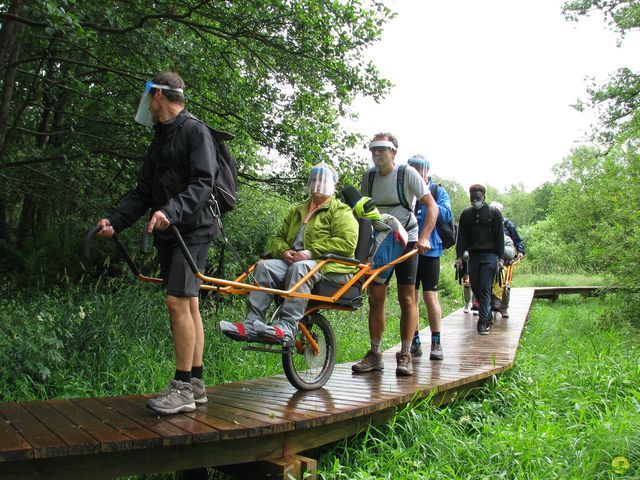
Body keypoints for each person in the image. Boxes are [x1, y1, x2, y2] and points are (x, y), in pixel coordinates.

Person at [96, 72, 219, 415]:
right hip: (171, 230)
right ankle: (195, 383)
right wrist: (115, 221)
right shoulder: (160, 138)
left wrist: (171, 210)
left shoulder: (195, 131)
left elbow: (203, 183)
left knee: (177, 302)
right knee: (189, 304)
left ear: (159, 96)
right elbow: (143, 192)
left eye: (148, 97)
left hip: (193, 230)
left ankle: (181, 387)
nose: (146, 105)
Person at [219, 163, 358, 344]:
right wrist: (284, 251)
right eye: (314, 178)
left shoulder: (341, 211)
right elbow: (278, 238)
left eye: (322, 180)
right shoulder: (298, 210)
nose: (317, 183)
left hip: (331, 266)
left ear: (334, 185)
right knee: (264, 266)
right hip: (296, 262)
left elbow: (347, 243)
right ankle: (252, 324)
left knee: (301, 268)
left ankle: (286, 328)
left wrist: (310, 252)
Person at [351, 133, 438, 377]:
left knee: (407, 298)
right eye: (373, 149)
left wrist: (425, 237)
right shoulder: (368, 177)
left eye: (382, 149)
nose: (377, 153)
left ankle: (406, 354)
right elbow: (364, 213)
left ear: (393, 152)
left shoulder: (406, 173)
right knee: (376, 297)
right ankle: (375, 354)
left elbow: (432, 206)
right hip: (382, 240)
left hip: (407, 240)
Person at [406, 155, 452, 361]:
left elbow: (447, 215)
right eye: (412, 168)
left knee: (429, 296)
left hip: (431, 250)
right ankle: (415, 342)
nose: (416, 172)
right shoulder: (407, 190)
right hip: (409, 250)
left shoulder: (437, 191)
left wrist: (427, 200)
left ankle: (436, 342)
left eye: (419, 168)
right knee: (410, 298)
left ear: (427, 170)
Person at [455, 184, 504, 335]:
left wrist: (500, 258)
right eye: (472, 198)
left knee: (484, 287)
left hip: (490, 256)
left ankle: (483, 323)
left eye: (478, 198)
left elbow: (499, 237)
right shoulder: (466, 214)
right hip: (473, 256)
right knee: (475, 287)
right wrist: (458, 257)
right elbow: (461, 237)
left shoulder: (494, 213)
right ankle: (487, 314)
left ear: (484, 197)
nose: (475, 200)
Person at [489, 201, 524, 317]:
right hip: (489, 259)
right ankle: (481, 305)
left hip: (505, 260)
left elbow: (518, 240)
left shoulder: (508, 225)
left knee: (505, 283)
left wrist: (520, 251)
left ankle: (504, 307)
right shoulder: (485, 223)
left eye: (497, 211)